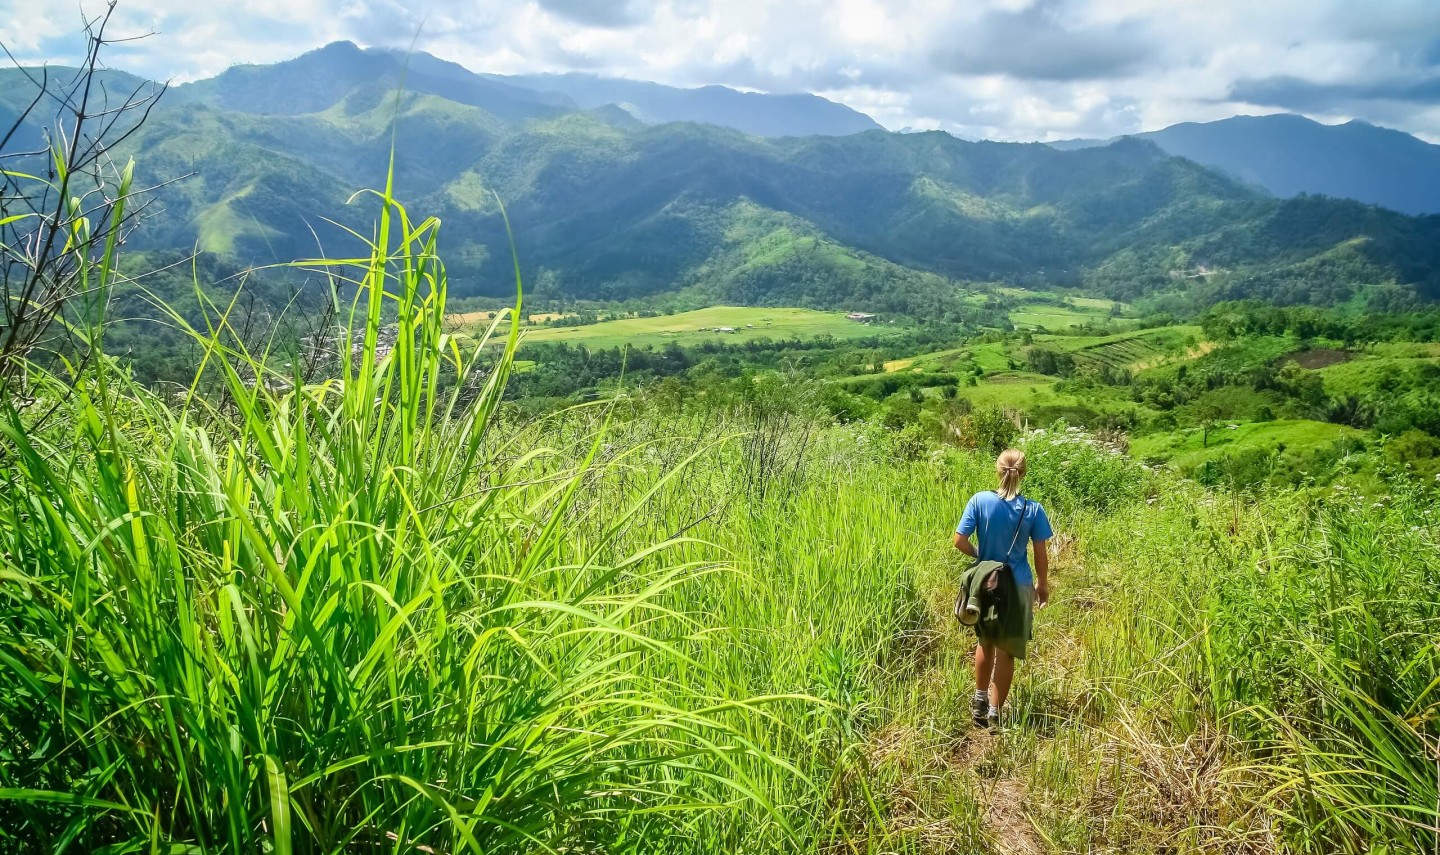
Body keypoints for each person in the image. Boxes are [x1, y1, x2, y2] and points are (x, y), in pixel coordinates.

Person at [953, 448, 1053, 729]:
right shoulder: (1033, 509)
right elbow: (1041, 554)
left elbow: (959, 540)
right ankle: (996, 713)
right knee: (1006, 651)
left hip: (986, 585)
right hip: (1018, 586)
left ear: (998, 470)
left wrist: (981, 556)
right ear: (1024, 473)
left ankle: (979, 701)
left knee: (985, 642)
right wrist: (1042, 584)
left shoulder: (979, 500)